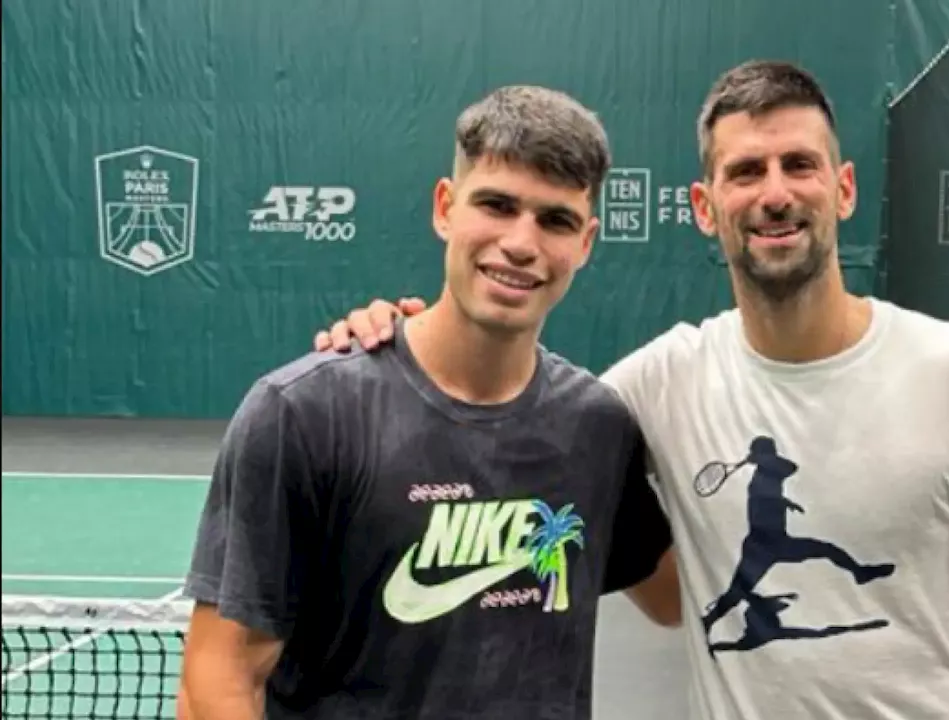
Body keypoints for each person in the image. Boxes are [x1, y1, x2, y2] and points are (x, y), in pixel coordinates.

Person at [310, 61, 949, 719]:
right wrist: (392, 338)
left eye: (799, 164)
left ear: (843, 190)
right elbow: (518, 413)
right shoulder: (654, 386)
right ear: (704, 206)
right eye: (744, 172)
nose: (774, 193)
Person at [178, 85, 680, 720]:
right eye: (497, 205)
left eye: (555, 220)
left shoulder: (597, 427)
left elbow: (678, 598)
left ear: (586, 242)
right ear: (446, 208)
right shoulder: (303, 413)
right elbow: (216, 680)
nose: (521, 243)